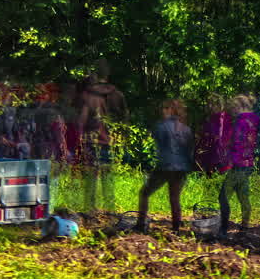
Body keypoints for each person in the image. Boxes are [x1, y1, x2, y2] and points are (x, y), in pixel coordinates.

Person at [135, 99, 194, 233]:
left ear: (171, 110)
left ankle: (140, 225)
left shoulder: (161, 126)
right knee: (174, 199)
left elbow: (158, 141)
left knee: (144, 193)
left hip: (165, 166)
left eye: (165, 108)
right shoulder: (186, 129)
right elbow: (190, 151)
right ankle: (176, 229)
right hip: (181, 168)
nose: (162, 111)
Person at [77, 60, 127, 212]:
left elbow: (82, 120)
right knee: (108, 178)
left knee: (90, 179)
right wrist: (122, 139)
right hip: (110, 142)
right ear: (108, 74)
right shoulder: (118, 94)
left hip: (91, 141)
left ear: (95, 74)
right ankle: (110, 210)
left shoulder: (88, 95)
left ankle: (90, 210)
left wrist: (78, 139)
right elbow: (125, 119)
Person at [218, 95, 259, 237]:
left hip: (238, 164)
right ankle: (245, 226)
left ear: (241, 107)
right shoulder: (254, 121)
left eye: (234, 107)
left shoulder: (241, 122)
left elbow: (236, 143)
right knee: (243, 195)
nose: (233, 111)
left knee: (223, 196)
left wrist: (228, 158)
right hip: (248, 163)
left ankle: (223, 229)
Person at [195, 93, 232, 176]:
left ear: (219, 105)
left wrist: (221, 140)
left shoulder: (225, 117)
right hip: (212, 149)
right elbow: (206, 132)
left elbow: (227, 132)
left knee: (220, 167)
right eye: (210, 104)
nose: (211, 106)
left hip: (221, 149)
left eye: (213, 104)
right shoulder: (211, 117)